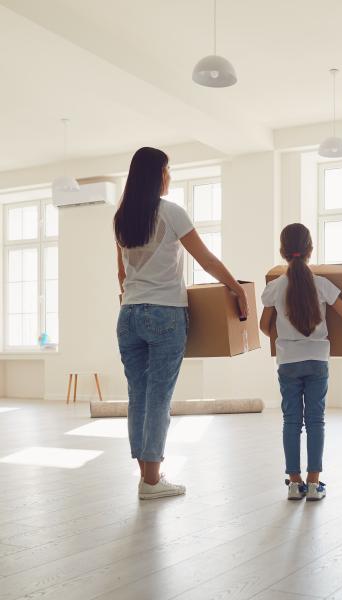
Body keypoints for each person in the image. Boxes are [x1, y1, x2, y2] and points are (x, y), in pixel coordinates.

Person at [115, 147, 248, 500]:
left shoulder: (122, 217)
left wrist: (133, 298)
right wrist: (236, 289)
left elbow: (121, 274)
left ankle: (148, 479)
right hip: (164, 314)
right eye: (168, 170)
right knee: (158, 397)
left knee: (138, 397)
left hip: (128, 315)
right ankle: (152, 481)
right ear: (157, 174)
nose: (170, 176)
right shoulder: (171, 213)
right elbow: (205, 260)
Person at [260, 223, 342, 501]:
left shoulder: (274, 287)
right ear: (310, 251)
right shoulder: (322, 285)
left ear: (282, 251)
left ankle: (294, 483)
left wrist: (284, 332)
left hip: (288, 362)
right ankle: (313, 483)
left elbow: (263, 326)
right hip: (318, 360)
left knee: (291, 421)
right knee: (316, 421)